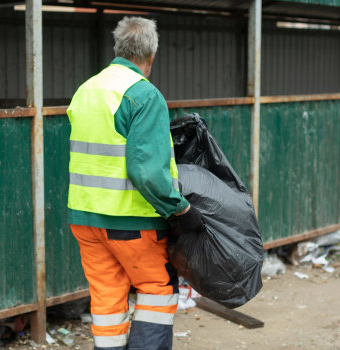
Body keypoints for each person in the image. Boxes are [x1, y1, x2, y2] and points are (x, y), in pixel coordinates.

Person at [66, 16, 205, 350]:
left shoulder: (86, 90)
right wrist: (181, 208)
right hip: (130, 221)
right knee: (157, 290)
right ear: (151, 56)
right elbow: (146, 171)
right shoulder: (143, 95)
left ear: (118, 48)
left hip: (84, 218)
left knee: (107, 301)